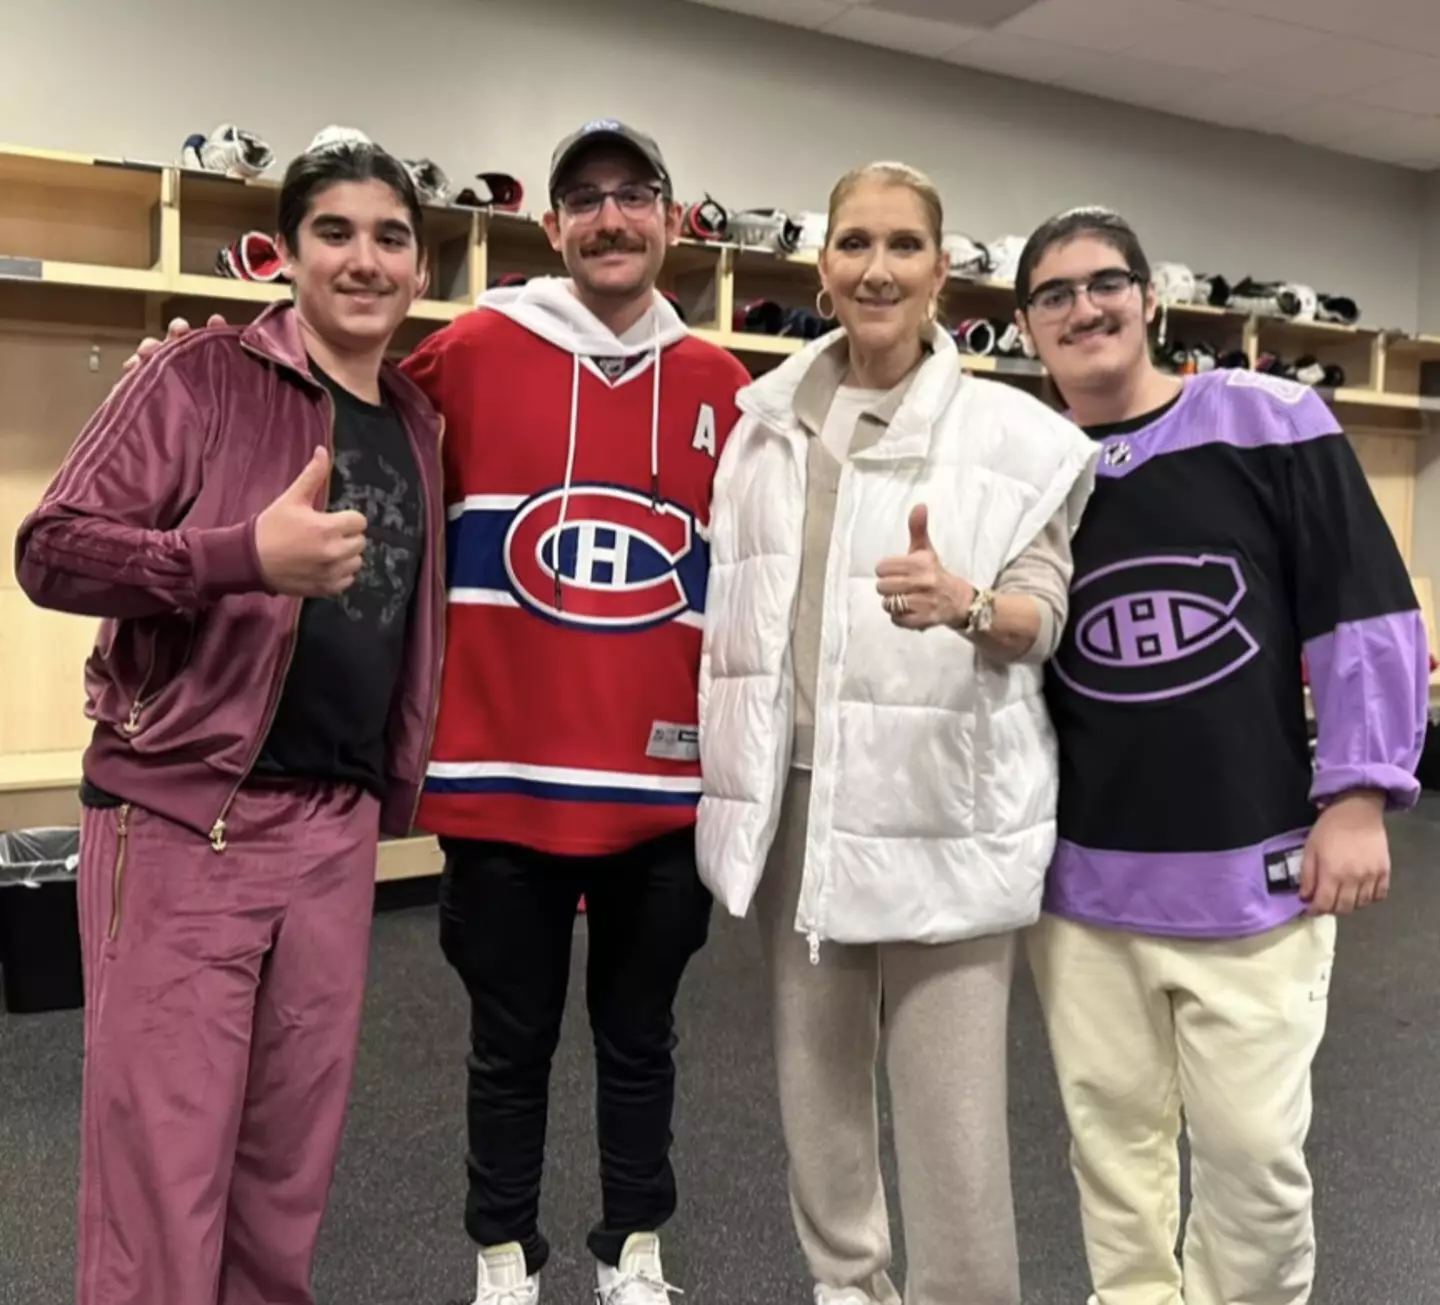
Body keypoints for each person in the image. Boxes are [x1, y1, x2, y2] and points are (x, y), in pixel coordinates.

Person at [131, 119, 752, 1305]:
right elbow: (327, 407)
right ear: (549, 225)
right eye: (585, 198)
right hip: (500, 785)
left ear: (671, 218)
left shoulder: (727, 387)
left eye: (634, 195)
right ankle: (504, 1257)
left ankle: (633, 1251)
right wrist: (208, 365)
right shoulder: (468, 351)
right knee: (506, 1048)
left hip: (663, 791)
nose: (610, 218)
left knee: (642, 1044)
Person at [14, 140, 445, 1305]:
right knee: (162, 1178)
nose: (365, 260)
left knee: (283, 1182)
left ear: (422, 268)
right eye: (335, 232)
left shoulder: (418, 418)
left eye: (391, 237)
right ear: (286, 254)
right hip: (183, 823)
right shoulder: (199, 374)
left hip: (336, 833)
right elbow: (52, 551)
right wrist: (239, 556)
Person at [694, 162, 1100, 1305]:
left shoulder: (1013, 437)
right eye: (855, 244)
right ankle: (846, 1287)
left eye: (904, 246)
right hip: (799, 795)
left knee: (952, 1122)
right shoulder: (765, 423)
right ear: (822, 266)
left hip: (940, 805)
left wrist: (968, 606)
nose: (877, 270)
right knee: (816, 1089)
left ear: (942, 270)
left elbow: (1043, 618)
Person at [1012, 206, 1430, 1305]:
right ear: (1026, 327)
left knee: (1254, 1164)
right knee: (1112, 1154)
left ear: (1149, 298)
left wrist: (1359, 793)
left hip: (1255, 879)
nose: (1083, 308)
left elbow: (1363, 605)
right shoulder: (1029, 466)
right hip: (1083, 886)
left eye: (1105, 282)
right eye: (1053, 294)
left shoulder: (1267, 419)